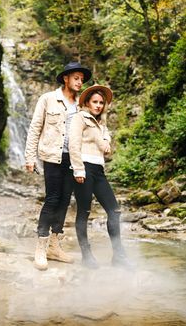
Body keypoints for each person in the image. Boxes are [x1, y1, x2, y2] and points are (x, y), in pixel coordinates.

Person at [25, 62, 92, 270]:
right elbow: (35, 128)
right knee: (52, 199)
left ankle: (55, 245)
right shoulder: (48, 99)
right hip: (52, 157)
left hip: (73, 159)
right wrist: (30, 157)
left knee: (64, 201)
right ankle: (41, 246)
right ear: (66, 78)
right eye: (76, 78)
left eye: (82, 79)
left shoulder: (81, 105)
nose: (80, 82)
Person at [69, 84, 131, 269]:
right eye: (95, 102)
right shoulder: (80, 117)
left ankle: (119, 256)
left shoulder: (101, 124)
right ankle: (86, 256)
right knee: (84, 212)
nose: (98, 105)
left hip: (99, 170)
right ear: (87, 102)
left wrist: (106, 142)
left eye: (101, 103)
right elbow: (73, 144)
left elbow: (105, 143)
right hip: (84, 168)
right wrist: (78, 169)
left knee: (114, 211)